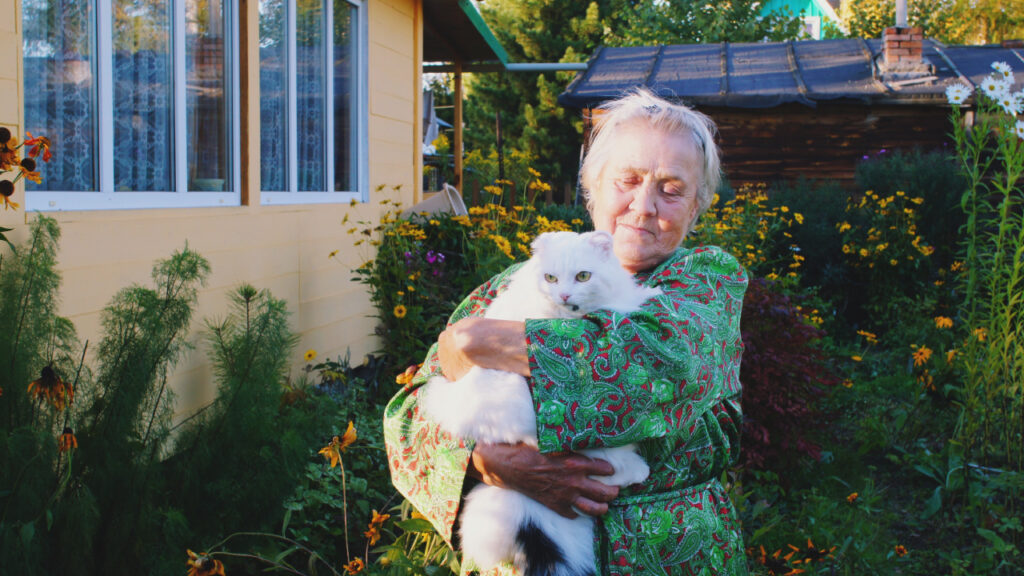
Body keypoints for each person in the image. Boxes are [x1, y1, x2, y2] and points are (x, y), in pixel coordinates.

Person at [383, 88, 749, 575]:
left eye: (671, 189)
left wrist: (472, 342)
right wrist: (485, 460)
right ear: (593, 188)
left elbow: (647, 371)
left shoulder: (705, 281)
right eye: (628, 180)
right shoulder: (515, 283)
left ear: (697, 206)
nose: (643, 205)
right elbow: (407, 421)